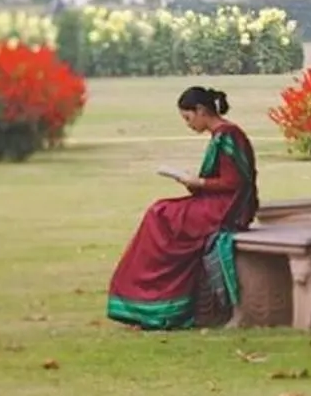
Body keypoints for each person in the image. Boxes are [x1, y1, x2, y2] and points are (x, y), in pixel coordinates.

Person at [106, 86, 259, 330]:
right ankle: (152, 299)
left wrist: (198, 182)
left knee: (160, 215)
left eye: (188, 118)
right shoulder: (220, 135)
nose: (188, 124)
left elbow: (234, 182)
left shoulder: (229, 135)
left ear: (200, 110)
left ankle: (157, 301)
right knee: (160, 212)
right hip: (216, 203)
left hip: (228, 208)